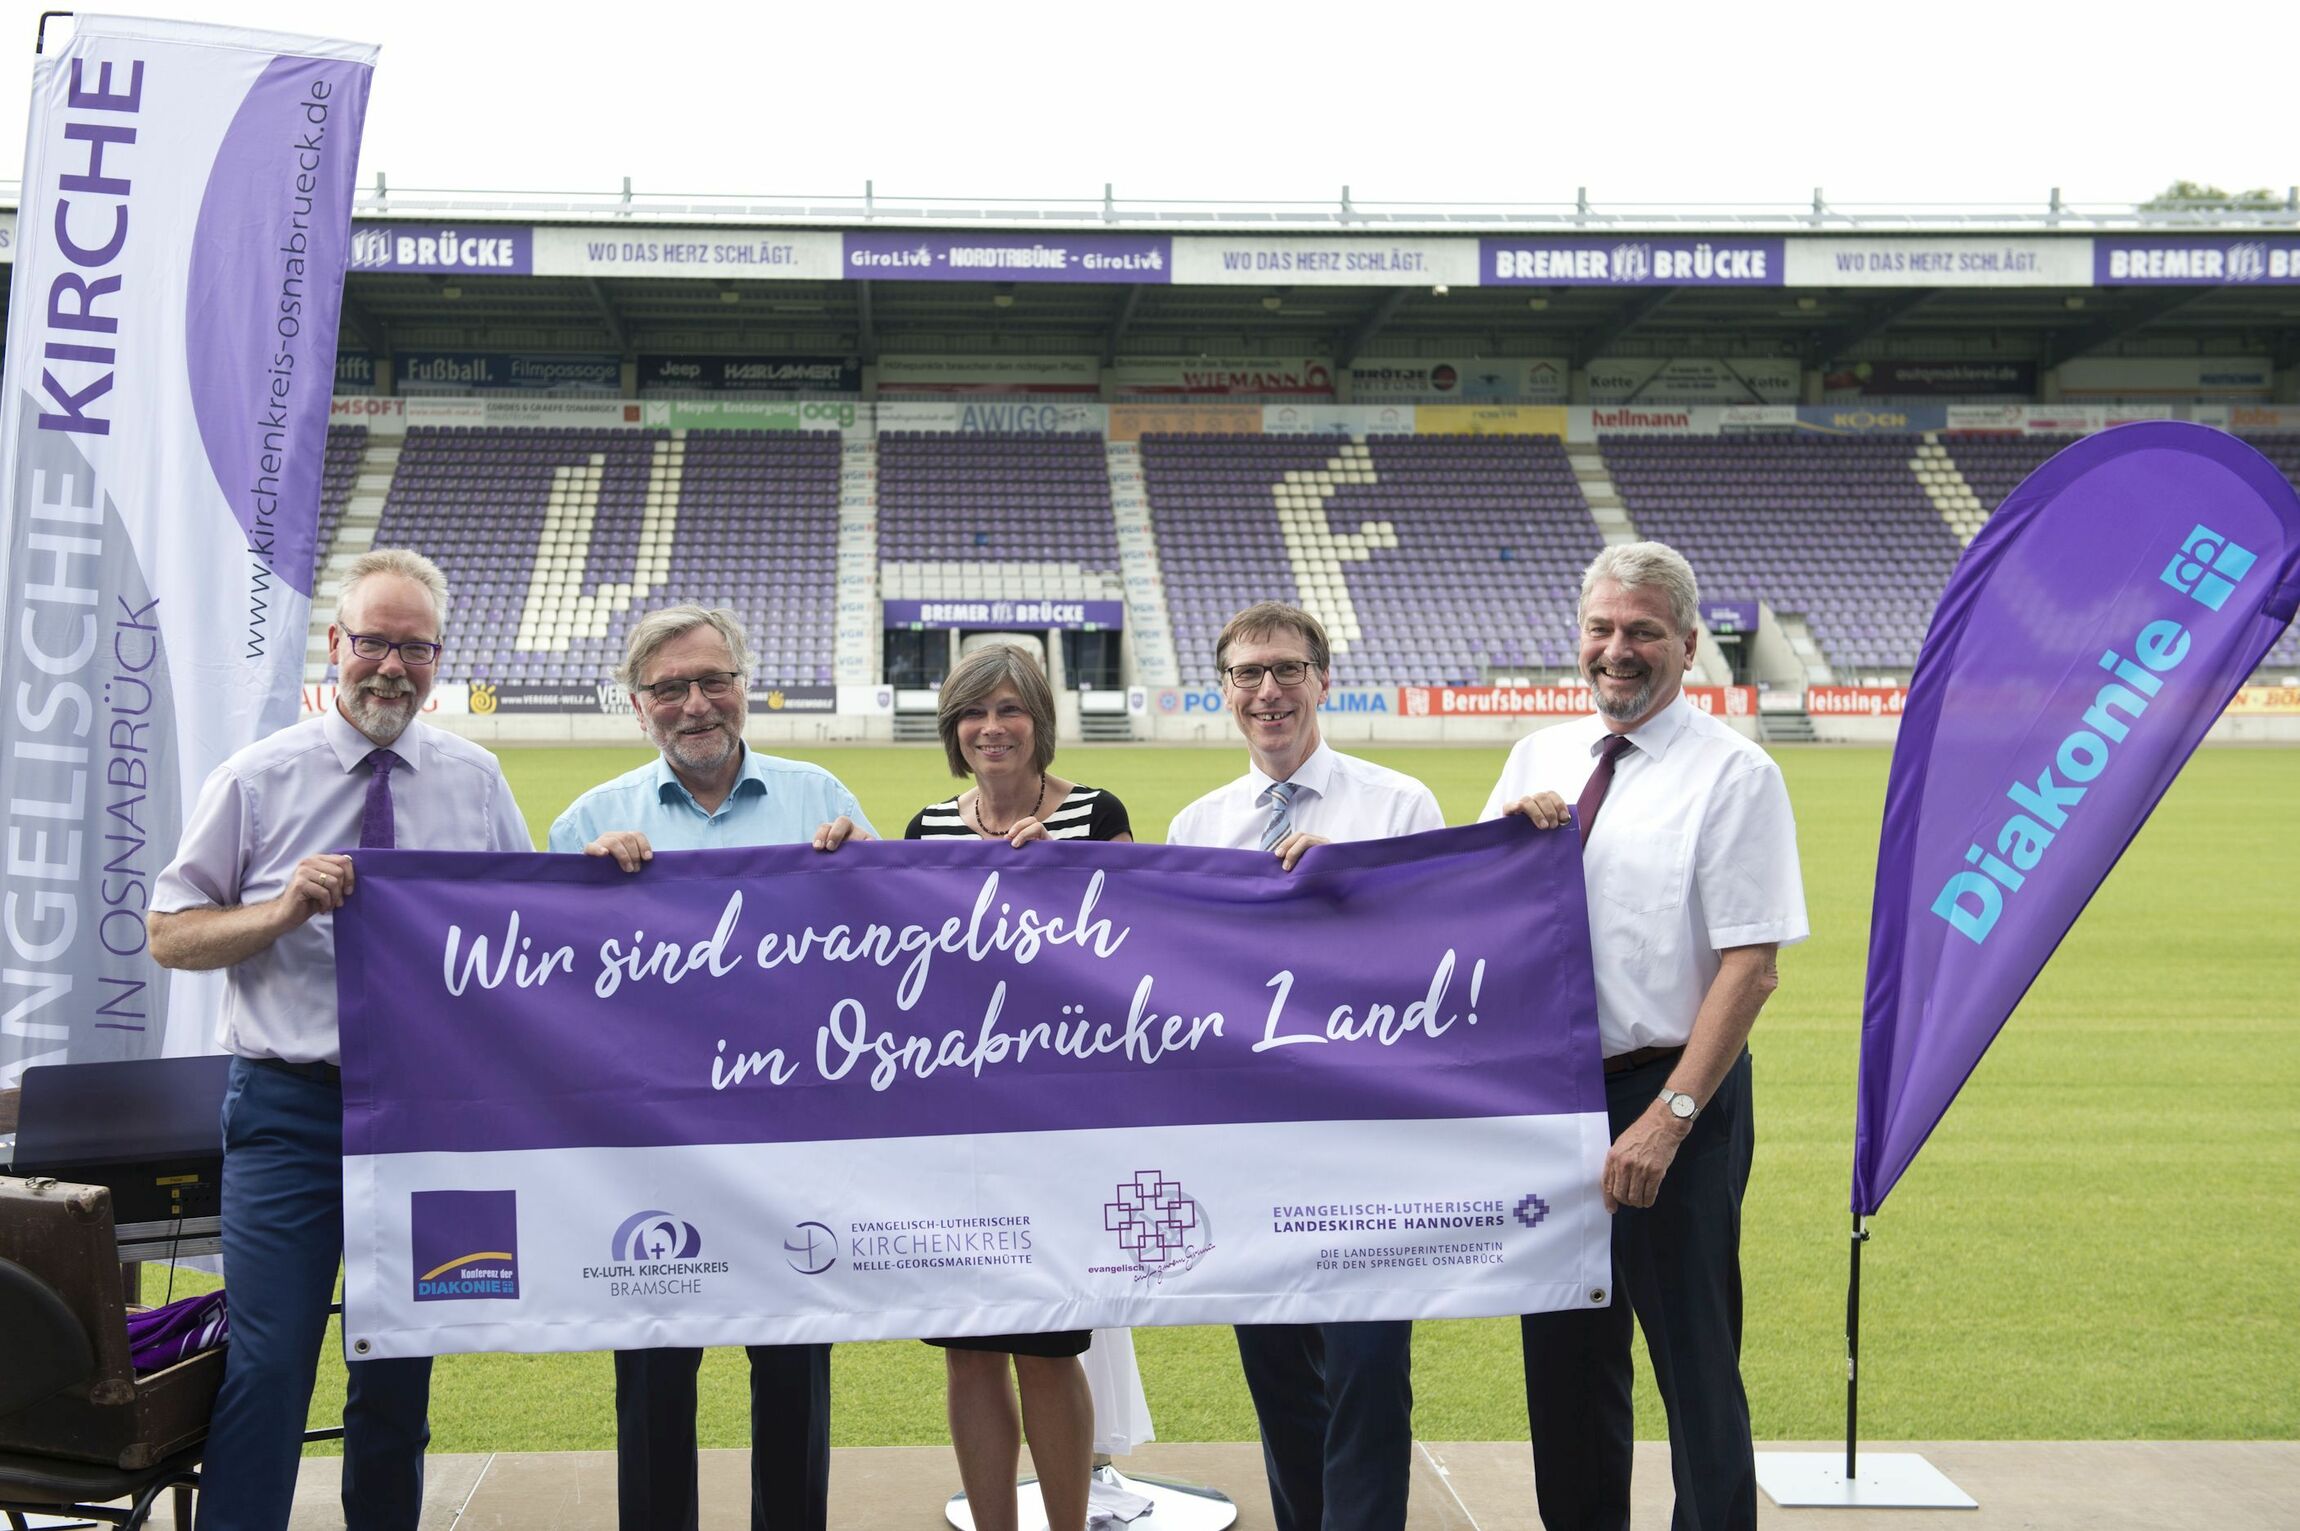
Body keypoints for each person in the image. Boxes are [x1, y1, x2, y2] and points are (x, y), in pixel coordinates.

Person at [148, 549, 531, 1531]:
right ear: (336, 644)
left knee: (399, 1368)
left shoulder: (475, 782)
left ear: (440, 657)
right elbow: (170, 930)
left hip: (426, 1117)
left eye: (415, 647)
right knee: (268, 1363)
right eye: (373, 643)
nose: (391, 668)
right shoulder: (260, 776)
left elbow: (530, 934)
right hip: (290, 1110)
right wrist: (279, 911)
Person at [1481, 542, 1808, 1531]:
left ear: (1686, 644)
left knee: (1693, 1360)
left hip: (1672, 1093)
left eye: (1641, 633)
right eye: (1601, 629)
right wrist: (1503, 839)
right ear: (1575, 635)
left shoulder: (1733, 775)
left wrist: (1667, 1118)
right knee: (1566, 1366)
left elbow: (1749, 966)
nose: (1616, 651)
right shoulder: (1537, 756)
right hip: (1550, 1097)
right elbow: (1473, 917)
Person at [548, 605, 873, 1531]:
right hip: (648, 1151)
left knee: (794, 1383)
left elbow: (898, 959)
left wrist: (864, 875)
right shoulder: (591, 821)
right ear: (638, 704)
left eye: (713, 680)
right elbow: (535, 991)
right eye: (669, 688)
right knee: (652, 1385)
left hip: (790, 1144)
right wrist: (578, 896)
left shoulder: (824, 800)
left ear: (744, 683)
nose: (696, 704)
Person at [1166, 602, 1441, 1531]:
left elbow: (1444, 965)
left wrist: (1358, 883)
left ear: (1324, 679)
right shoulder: (1195, 825)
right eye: (1248, 675)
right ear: (1226, 693)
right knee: (1279, 1374)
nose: (1268, 691)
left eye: (1287, 669)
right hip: (1251, 1145)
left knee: (1366, 1369)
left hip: (1369, 1139)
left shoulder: (1400, 806)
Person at [899, 643, 1130, 1531]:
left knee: (1045, 1346)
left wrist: (1072, 884)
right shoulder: (927, 827)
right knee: (966, 1351)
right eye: (972, 712)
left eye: (1009, 710)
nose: (990, 728)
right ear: (953, 728)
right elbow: (905, 965)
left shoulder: (1094, 814)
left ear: (1039, 719)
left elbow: (1140, 954)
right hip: (955, 1121)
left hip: (1059, 1122)